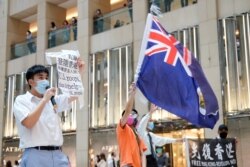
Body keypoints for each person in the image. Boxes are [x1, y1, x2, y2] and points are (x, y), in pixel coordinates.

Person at [13, 59, 85, 167]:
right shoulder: (22, 100)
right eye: (41, 77)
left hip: (58, 154)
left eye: (46, 78)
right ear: (30, 81)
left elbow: (73, 95)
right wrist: (44, 101)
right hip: (35, 154)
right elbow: (28, 123)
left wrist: (79, 73)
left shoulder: (52, 100)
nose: (45, 81)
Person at [116, 84, 147, 167]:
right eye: (130, 114)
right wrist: (132, 94)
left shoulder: (136, 134)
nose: (131, 116)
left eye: (133, 115)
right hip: (127, 164)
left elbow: (143, 153)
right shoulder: (122, 128)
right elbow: (128, 110)